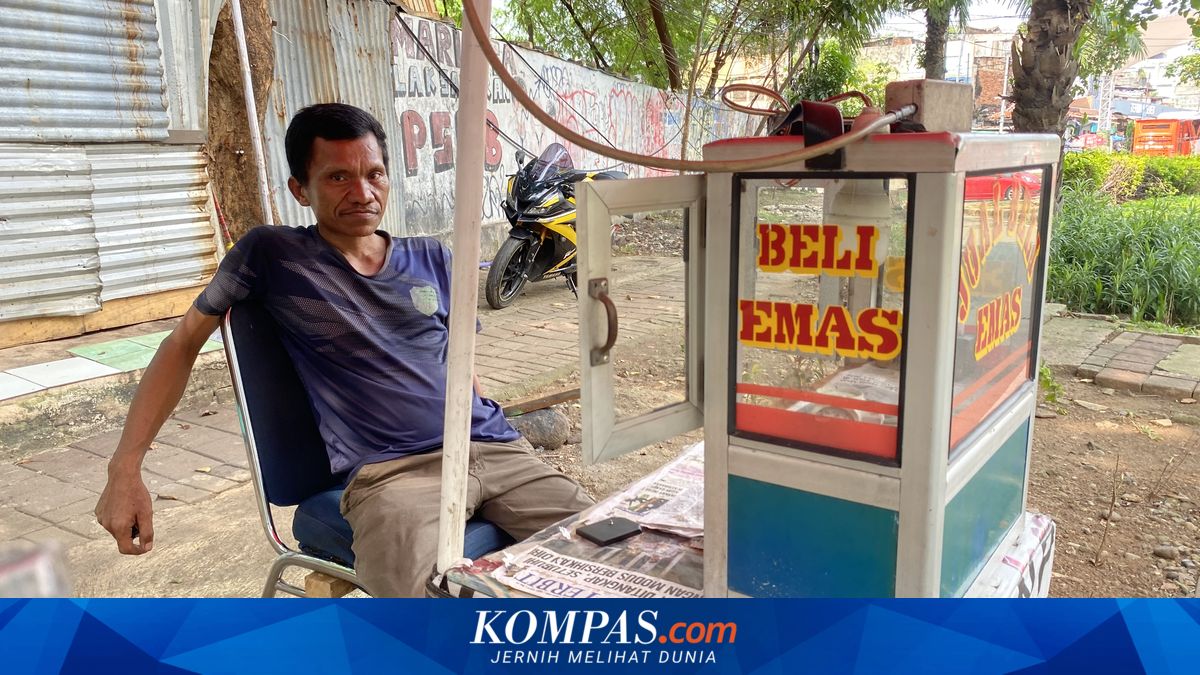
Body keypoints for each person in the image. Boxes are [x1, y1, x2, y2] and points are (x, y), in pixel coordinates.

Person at [94, 103, 594, 597]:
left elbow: (458, 365)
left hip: (497, 451)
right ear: (300, 189)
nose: (362, 193)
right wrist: (125, 469)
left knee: (614, 551)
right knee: (431, 613)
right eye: (338, 178)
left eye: (374, 173)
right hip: (395, 475)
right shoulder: (274, 256)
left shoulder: (434, 258)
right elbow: (182, 343)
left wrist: (491, 424)